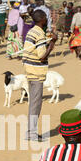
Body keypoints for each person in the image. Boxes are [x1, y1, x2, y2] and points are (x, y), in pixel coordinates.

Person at [23, 10, 58, 141]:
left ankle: (30, 132)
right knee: (35, 104)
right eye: (45, 17)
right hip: (36, 73)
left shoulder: (32, 31)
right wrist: (53, 43)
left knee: (33, 103)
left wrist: (48, 42)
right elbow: (42, 56)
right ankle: (31, 133)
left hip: (29, 71)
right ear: (42, 19)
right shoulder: (39, 34)